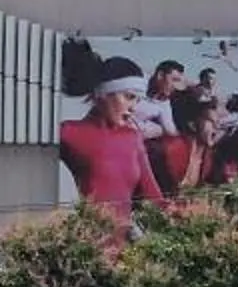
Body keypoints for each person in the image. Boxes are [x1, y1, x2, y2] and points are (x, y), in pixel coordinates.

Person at [58, 81, 167, 214]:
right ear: (103, 94)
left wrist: (185, 213)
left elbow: (154, 198)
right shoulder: (68, 132)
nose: (133, 108)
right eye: (129, 97)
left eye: (137, 101)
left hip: (125, 232)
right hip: (87, 231)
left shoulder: (133, 137)